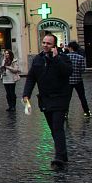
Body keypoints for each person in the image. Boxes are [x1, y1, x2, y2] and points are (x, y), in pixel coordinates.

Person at [22, 33, 73, 168]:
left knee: (57, 127)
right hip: (45, 99)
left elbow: (67, 72)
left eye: (48, 43)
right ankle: (63, 154)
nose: (45, 45)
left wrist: (56, 59)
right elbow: (31, 77)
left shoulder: (63, 58)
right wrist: (26, 94)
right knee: (53, 128)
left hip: (60, 98)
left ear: (54, 46)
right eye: (44, 43)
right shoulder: (38, 59)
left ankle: (59, 156)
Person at [66, 41, 91, 117]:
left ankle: (65, 113)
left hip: (68, 81)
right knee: (82, 97)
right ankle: (86, 112)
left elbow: (63, 69)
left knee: (67, 98)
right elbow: (83, 69)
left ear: (70, 48)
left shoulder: (66, 57)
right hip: (78, 80)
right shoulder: (80, 57)